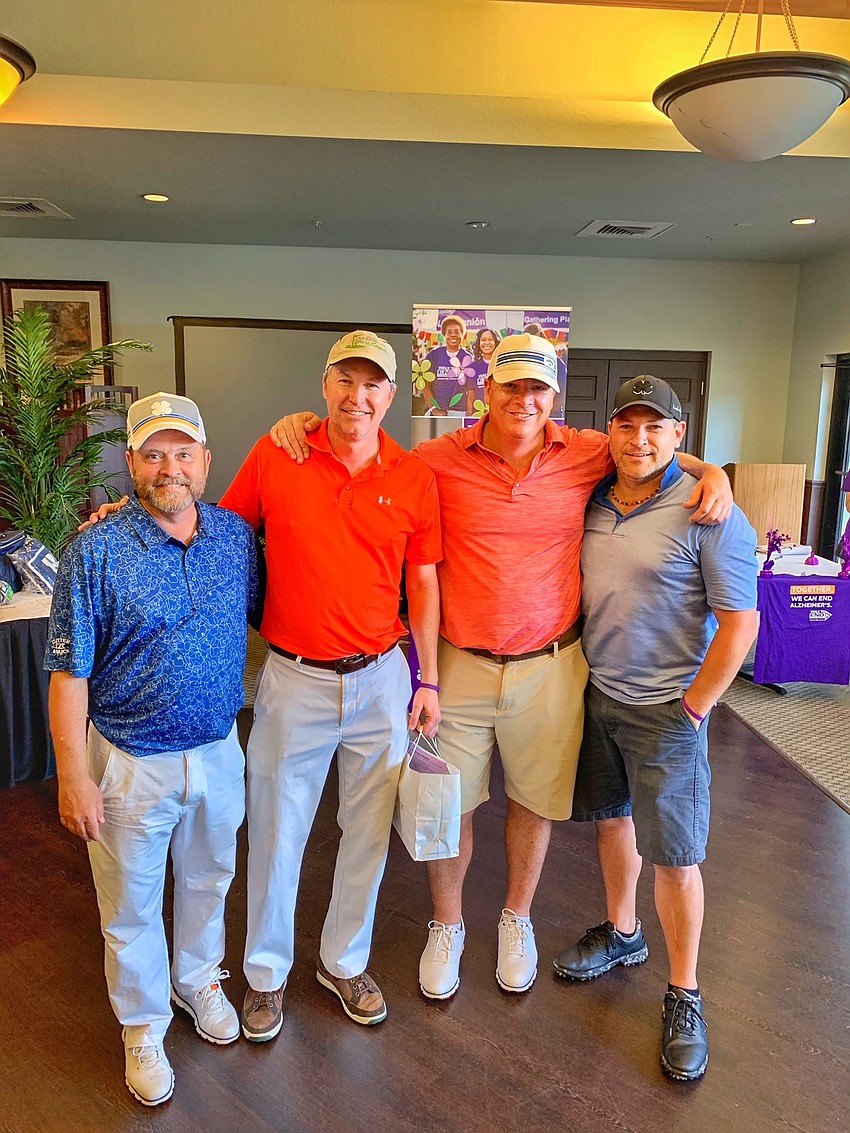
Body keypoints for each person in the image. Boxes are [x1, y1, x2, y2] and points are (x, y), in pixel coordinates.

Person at [272, 335, 732, 1004]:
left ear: (555, 397)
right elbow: (367, 447)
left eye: (538, 389)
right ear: (486, 390)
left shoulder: (584, 451)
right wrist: (306, 426)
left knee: (533, 799)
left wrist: (710, 471)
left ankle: (516, 917)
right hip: (460, 662)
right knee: (448, 802)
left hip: (550, 664)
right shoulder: (437, 458)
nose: (525, 399)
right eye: (512, 386)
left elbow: (650, 445)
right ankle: (448, 923)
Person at [220, 330, 442, 1039]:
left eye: (373, 383)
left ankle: (343, 961)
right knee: (278, 832)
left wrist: (427, 676)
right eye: (345, 380)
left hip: (381, 677)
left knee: (367, 832)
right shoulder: (276, 453)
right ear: (325, 387)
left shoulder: (412, 476)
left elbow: (423, 581)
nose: (358, 395)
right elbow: (221, 532)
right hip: (292, 680)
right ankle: (263, 975)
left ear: (389, 395)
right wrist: (130, 517)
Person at [46, 393, 259, 1107]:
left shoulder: (235, 537)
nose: (170, 466)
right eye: (154, 453)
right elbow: (69, 672)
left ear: (205, 462)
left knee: (209, 878)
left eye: (183, 452)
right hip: (130, 760)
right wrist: (72, 774)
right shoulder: (94, 550)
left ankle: (197, 977)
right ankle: (142, 1023)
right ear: (133, 462)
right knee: (131, 904)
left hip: (220, 750)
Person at [552, 375, 758, 1082]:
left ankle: (685, 991)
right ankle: (624, 933)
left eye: (655, 428)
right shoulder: (596, 494)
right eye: (627, 426)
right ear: (609, 431)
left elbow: (741, 624)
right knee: (613, 823)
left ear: (678, 434)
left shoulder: (712, 513)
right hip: (600, 694)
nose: (639, 440)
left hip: (670, 710)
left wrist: (696, 706)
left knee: (674, 856)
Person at [424, 314, 474, 415]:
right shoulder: (434, 355)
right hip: (435, 410)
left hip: (459, 411)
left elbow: (471, 390)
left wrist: (469, 412)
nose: (453, 335)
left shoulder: (468, 357)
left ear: (462, 334)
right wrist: (434, 409)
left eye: (457, 332)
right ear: (444, 334)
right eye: (449, 332)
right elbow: (425, 385)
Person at [469, 327, 500, 415]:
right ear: (479, 343)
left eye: (490, 339)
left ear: (496, 342)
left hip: (498, 413)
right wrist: (469, 413)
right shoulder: (472, 367)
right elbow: (470, 393)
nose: (486, 343)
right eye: (483, 340)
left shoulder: (501, 365)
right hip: (478, 414)